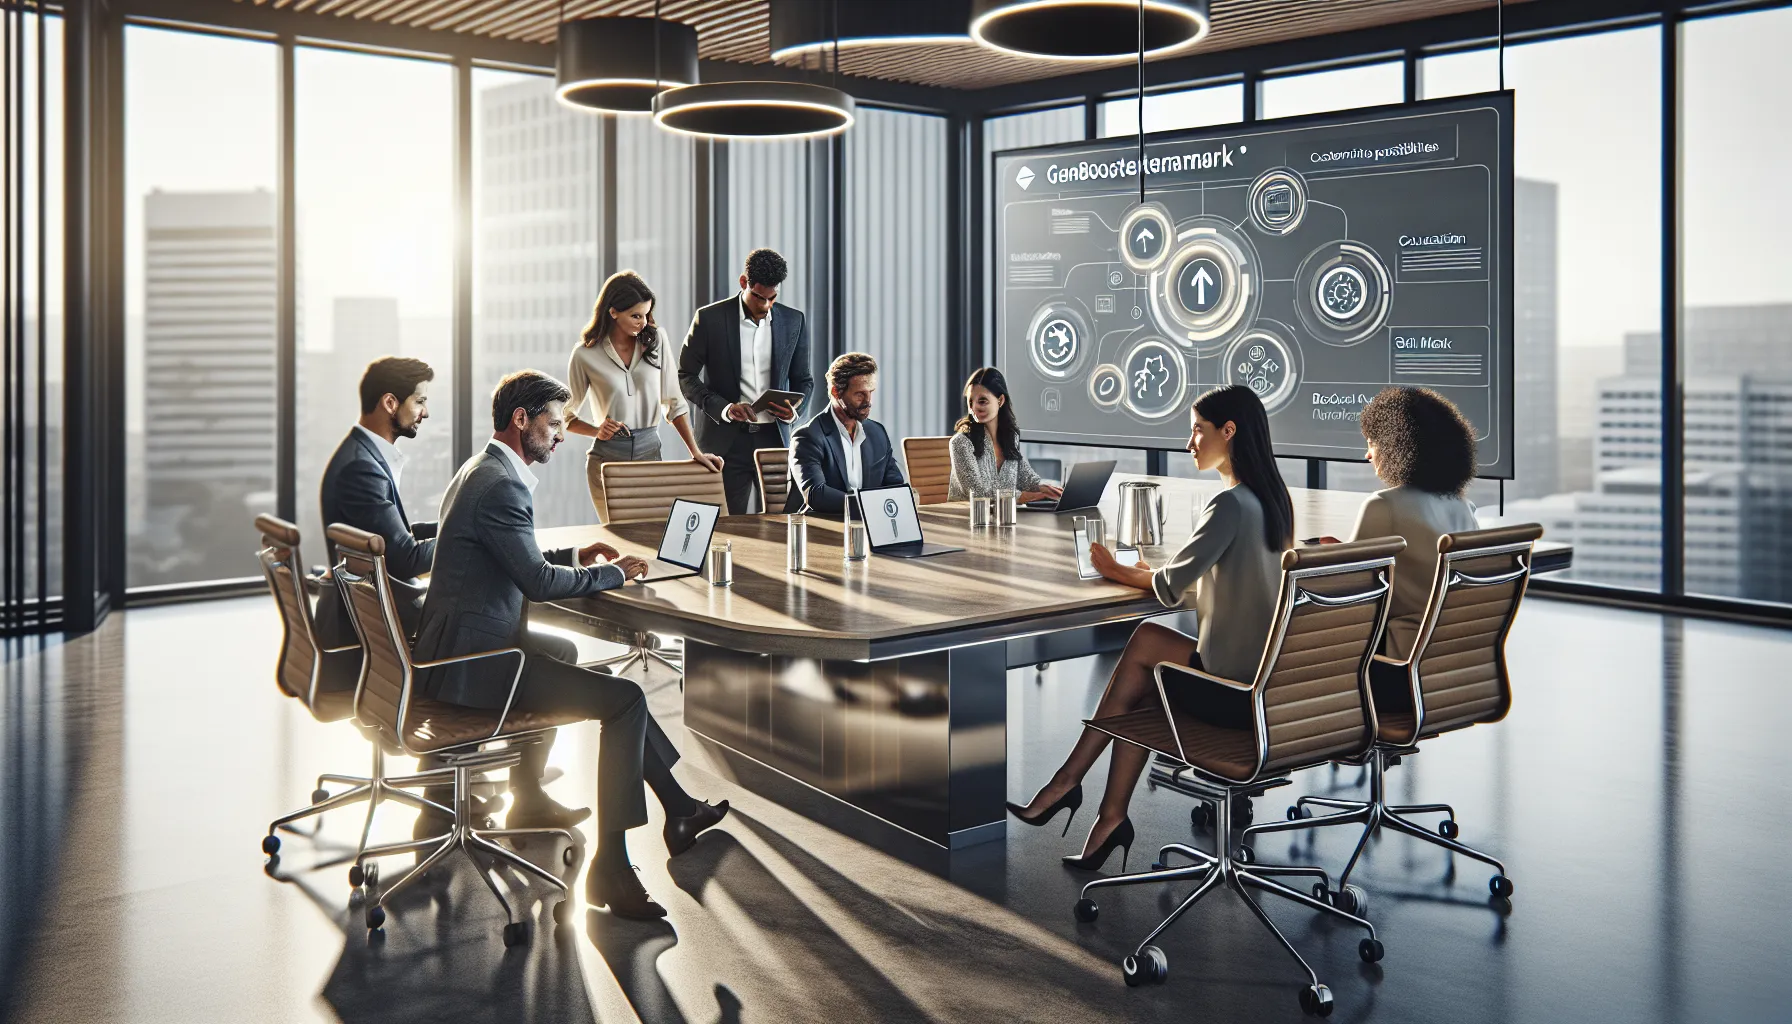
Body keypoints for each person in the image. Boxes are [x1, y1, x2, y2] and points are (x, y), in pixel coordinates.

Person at [411, 370, 728, 920]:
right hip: (479, 665)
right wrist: (617, 577)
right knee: (625, 699)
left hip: (457, 649)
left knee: (567, 655)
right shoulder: (502, 485)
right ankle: (613, 865)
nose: (562, 435)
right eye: (555, 424)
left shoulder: (479, 470)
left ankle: (672, 808)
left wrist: (579, 559)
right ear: (521, 419)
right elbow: (534, 583)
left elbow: (513, 559)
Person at [1006, 385, 1291, 870]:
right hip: (1267, 686)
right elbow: (1198, 588)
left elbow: (1171, 585)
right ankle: (1106, 815)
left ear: (1229, 431)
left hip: (1230, 691)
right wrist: (1142, 570)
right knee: (1142, 670)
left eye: (1197, 431)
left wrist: (1109, 566)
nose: (1189, 443)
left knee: (1143, 649)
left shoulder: (1229, 505)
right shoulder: (1272, 501)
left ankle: (1067, 784)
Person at [312, 356, 437, 688]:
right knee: (482, 628)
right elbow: (406, 559)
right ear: (390, 403)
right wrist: (470, 536)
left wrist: (456, 523)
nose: (425, 412)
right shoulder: (362, 469)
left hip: (369, 619)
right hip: (371, 634)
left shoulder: (363, 455)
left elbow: (395, 535)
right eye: (420, 401)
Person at [565, 271, 722, 521]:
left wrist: (696, 452)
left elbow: (674, 402)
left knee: (652, 534)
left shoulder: (656, 340)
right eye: (636, 315)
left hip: (650, 454)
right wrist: (597, 430)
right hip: (606, 462)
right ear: (613, 311)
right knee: (619, 542)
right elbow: (565, 416)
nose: (643, 322)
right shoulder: (585, 354)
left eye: (647, 314)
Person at [1340, 386, 1480, 659]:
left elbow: (1346, 586)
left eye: (1372, 442)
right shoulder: (1464, 508)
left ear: (1396, 444)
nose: (1368, 454)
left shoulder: (1383, 506)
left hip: (1403, 658)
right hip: (1463, 656)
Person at [677, 248, 814, 514]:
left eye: (772, 298)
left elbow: (803, 380)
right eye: (759, 297)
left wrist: (795, 411)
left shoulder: (793, 320)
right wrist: (724, 408)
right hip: (725, 443)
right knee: (728, 527)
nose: (765, 306)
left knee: (781, 525)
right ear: (744, 283)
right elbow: (685, 376)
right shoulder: (709, 319)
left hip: (775, 441)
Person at [787, 352, 906, 514]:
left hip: (872, 527)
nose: (868, 402)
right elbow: (816, 494)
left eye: (871, 392)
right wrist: (868, 506)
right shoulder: (807, 437)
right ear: (836, 392)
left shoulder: (877, 432)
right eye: (860, 394)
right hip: (824, 528)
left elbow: (895, 485)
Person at [946, 366, 1064, 504]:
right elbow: (977, 493)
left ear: (1000, 401)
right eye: (970, 401)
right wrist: (1022, 496)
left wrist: (1043, 487)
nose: (974, 408)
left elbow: (1023, 476)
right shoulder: (960, 443)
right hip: (967, 519)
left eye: (982, 401)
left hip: (1004, 517)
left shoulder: (1010, 437)